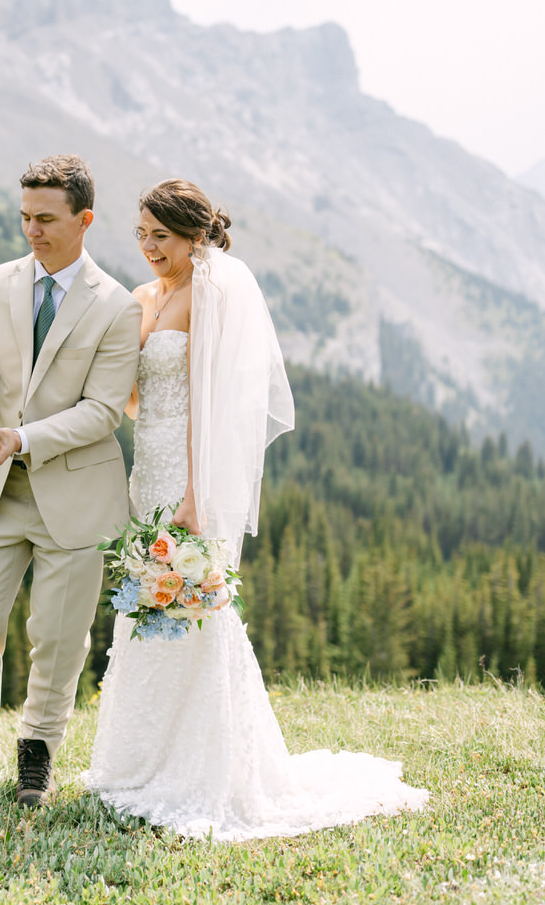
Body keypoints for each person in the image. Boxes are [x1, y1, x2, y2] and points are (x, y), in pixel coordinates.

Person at [81, 178, 429, 840]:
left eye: (163, 236)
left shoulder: (214, 295)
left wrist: (193, 494)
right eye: (143, 235)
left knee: (194, 612)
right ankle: (136, 761)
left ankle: (205, 769)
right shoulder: (141, 298)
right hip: (145, 467)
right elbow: (135, 400)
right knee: (147, 607)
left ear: (194, 236)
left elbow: (215, 405)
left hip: (190, 479)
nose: (150, 247)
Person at [0, 155, 142, 816]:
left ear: (84, 220)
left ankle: (37, 752)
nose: (32, 231)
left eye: (46, 219)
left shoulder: (117, 306)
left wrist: (25, 438)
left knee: (60, 634)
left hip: (74, 494)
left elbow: (103, 413)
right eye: (24, 218)